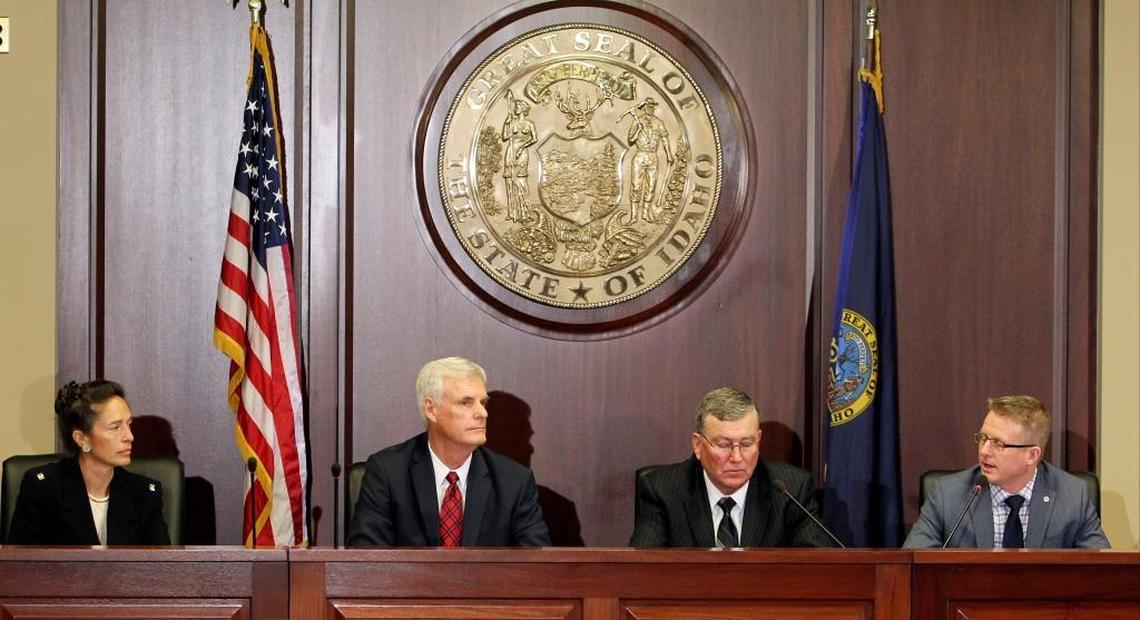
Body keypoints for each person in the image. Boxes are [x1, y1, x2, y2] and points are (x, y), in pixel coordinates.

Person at [347, 357, 550, 547]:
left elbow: (535, 571)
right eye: (466, 403)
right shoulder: (388, 472)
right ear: (431, 409)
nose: (483, 413)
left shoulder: (514, 481)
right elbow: (367, 563)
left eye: (483, 402)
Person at [630, 387, 836, 548]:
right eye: (723, 445)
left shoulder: (790, 490)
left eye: (747, 444)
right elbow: (641, 573)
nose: (737, 457)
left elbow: (819, 567)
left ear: (759, 439)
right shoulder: (662, 490)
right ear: (698, 445)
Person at [904, 395, 1108, 548]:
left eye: (999, 444)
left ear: (1032, 455)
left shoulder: (1073, 496)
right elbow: (913, 569)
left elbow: (1102, 574)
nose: (984, 451)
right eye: (983, 438)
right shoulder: (947, 495)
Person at [8, 380, 170, 545]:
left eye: (129, 424)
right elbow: (20, 563)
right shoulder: (44, 488)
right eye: (115, 427)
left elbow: (162, 566)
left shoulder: (144, 494)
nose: (129, 437)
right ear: (81, 438)